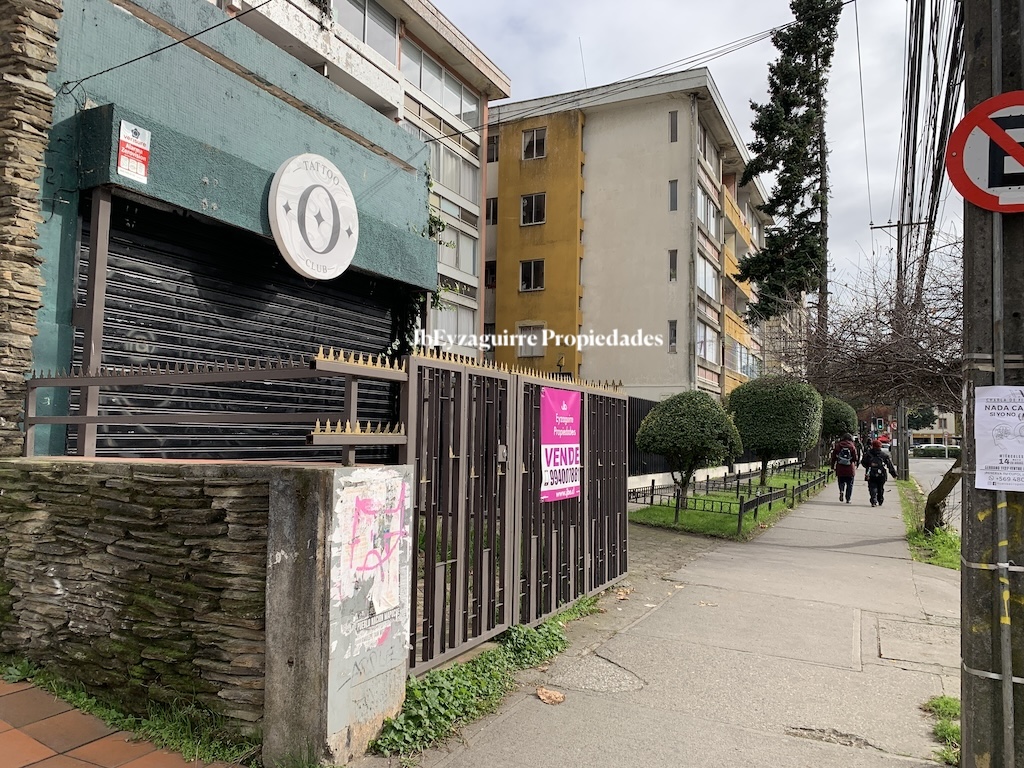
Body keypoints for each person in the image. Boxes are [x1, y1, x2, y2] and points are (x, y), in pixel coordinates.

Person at [861, 439, 897, 507]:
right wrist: (894, 474)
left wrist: (868, 466)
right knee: (880, 487)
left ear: (872, 445)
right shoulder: (884, 455)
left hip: (870, 473)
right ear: (880, 446)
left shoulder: (868, 454)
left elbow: (863, 462)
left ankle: (873, 500)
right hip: (881, 474)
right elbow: (889, 465)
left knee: (872, 487)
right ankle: (880, 499)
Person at [829, 432, 860, 504]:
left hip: (840, 467)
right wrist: (854, 462)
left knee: (841, 481)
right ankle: (848, 498)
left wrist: (832, 466)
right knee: (850, 484)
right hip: (850, 468)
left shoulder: (838, 446)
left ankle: (841, 490)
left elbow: (833, 457)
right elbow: (855, 458)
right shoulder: (852, 446)